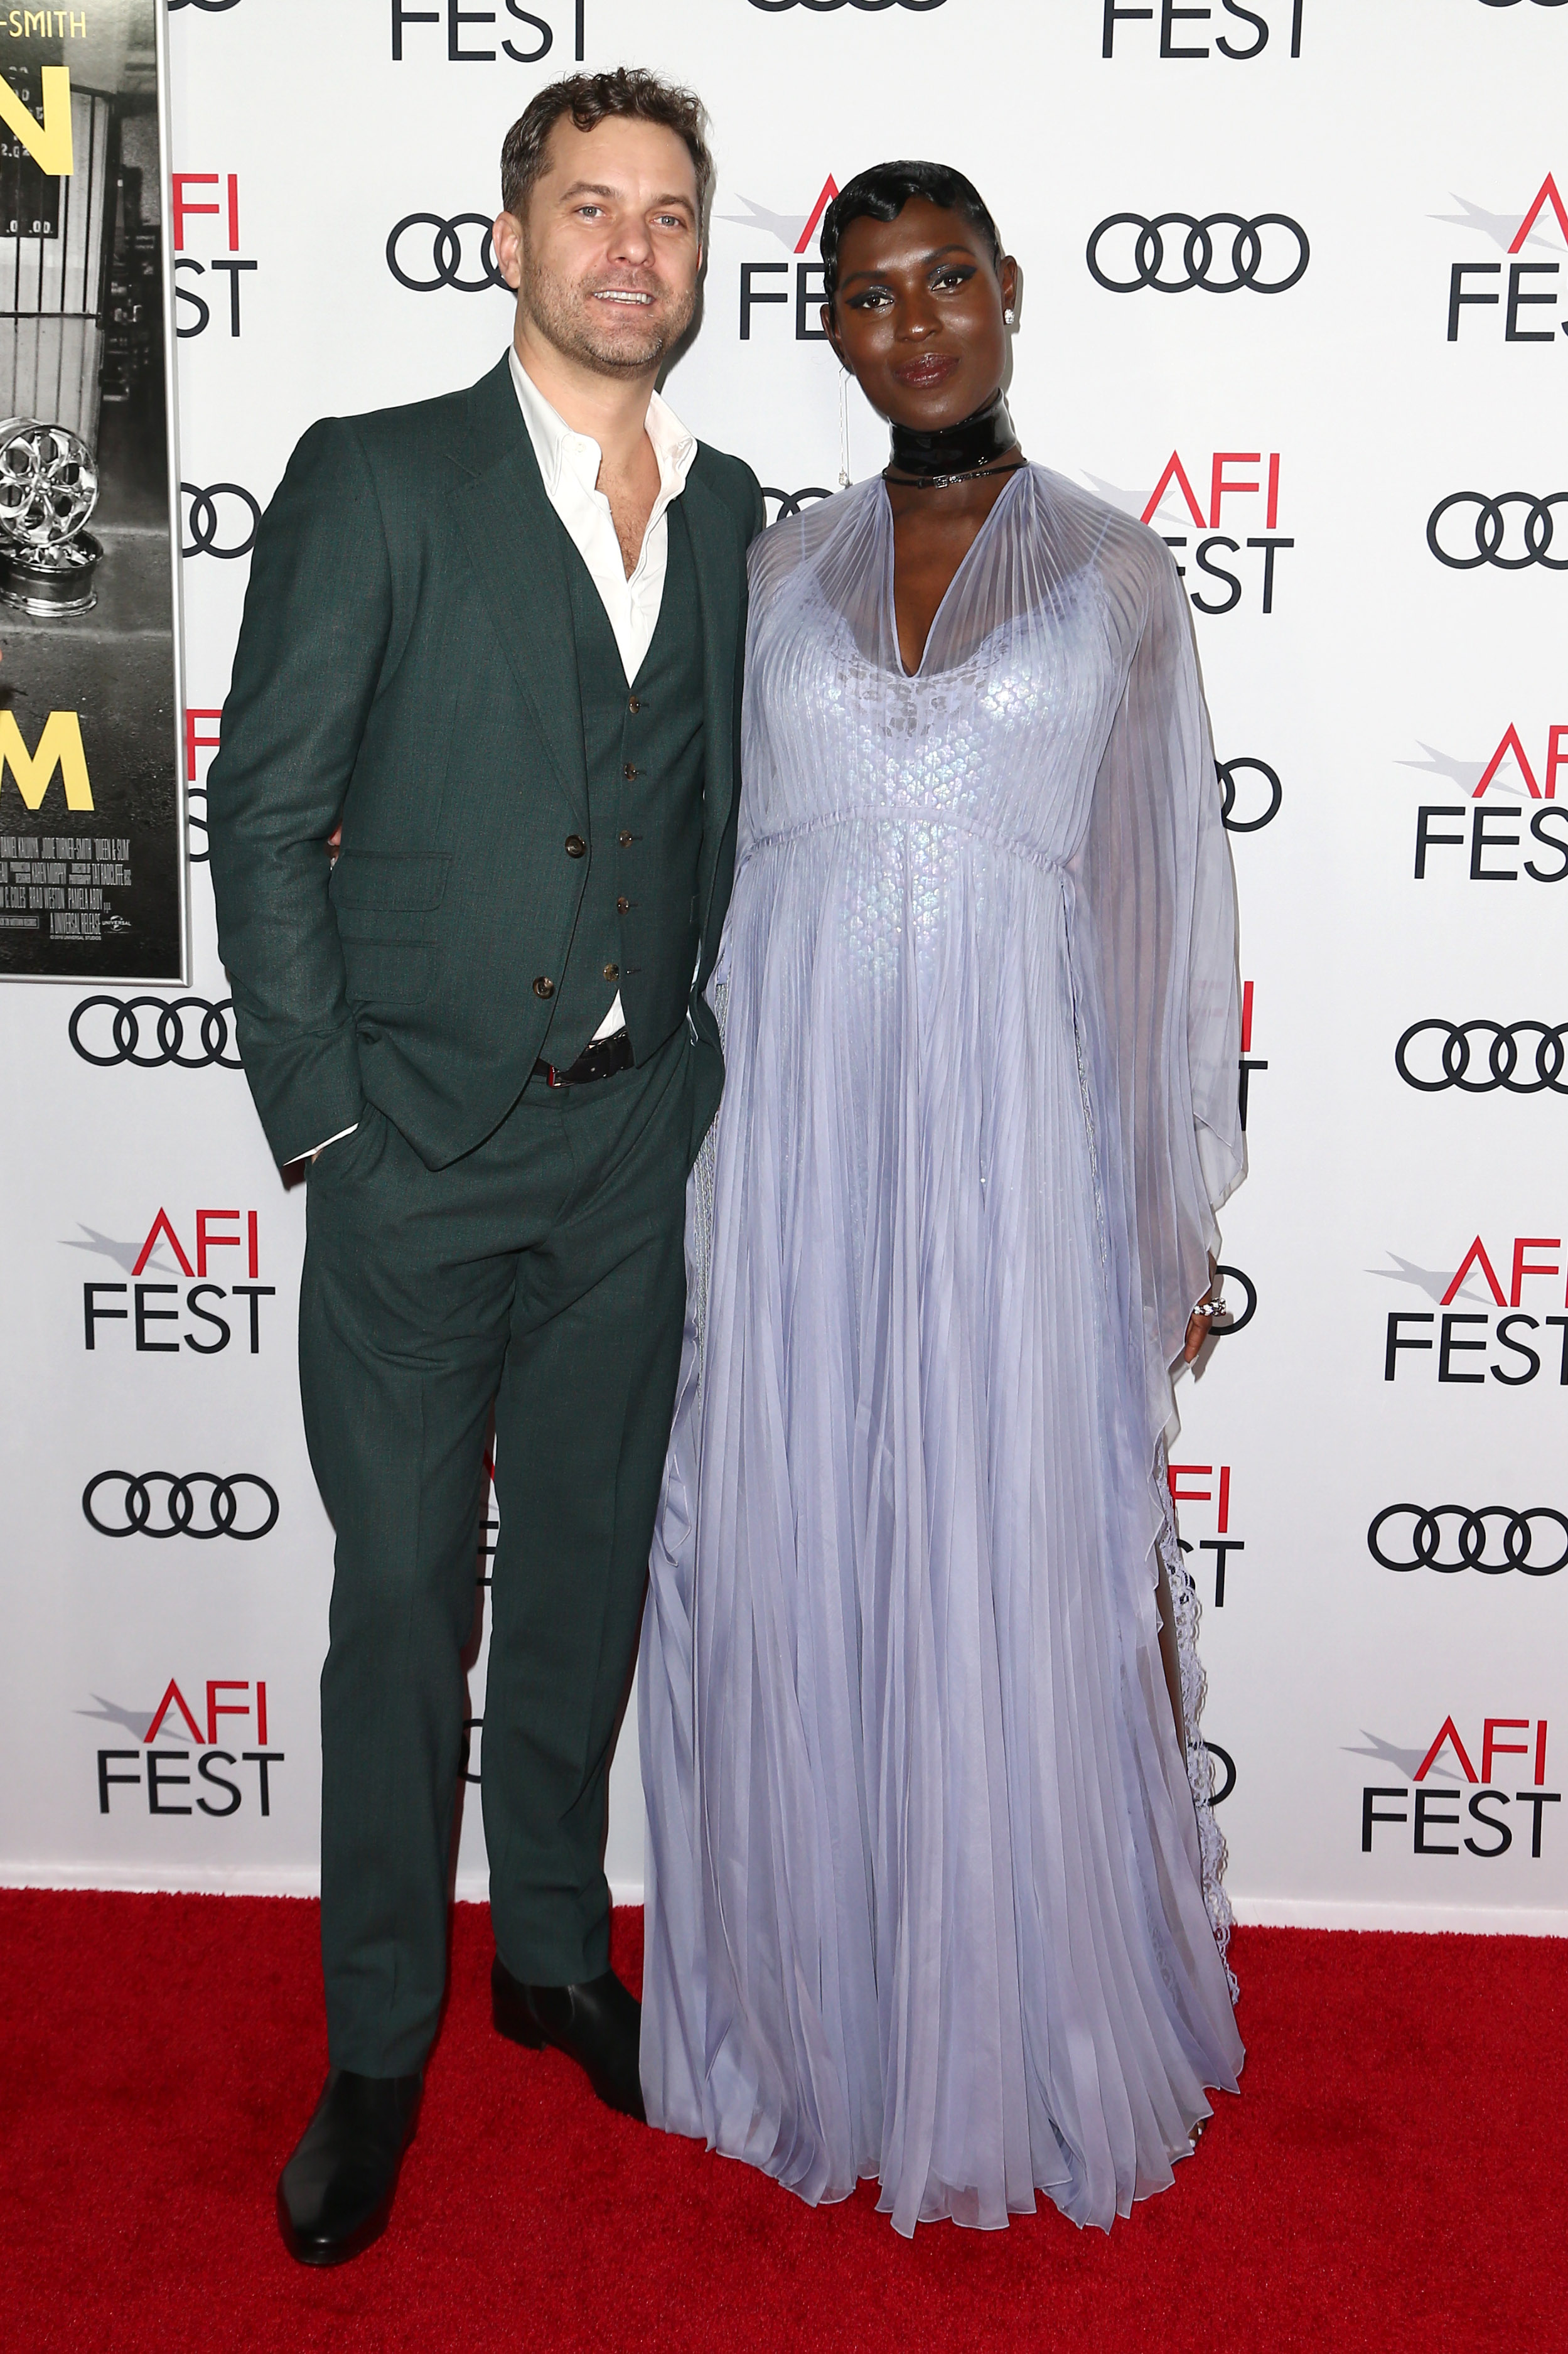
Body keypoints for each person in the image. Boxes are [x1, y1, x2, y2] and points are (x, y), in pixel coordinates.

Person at [638, 161, 1246, 2236]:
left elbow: (1155, 911)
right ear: (827, 325)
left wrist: (1167, 1204)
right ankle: (810, 2017)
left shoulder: (1117, 572)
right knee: (795, 1541)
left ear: (1008, 292)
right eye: (870, 291)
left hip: (1012, 1146)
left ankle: (1011, 2025)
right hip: (788, 1139)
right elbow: (689, 861)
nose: (912, 321)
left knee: (1006, 1551)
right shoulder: (761, 570)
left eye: (946, 280)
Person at [207, 70, 762, 2266]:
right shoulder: (380, 478)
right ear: (509, 242)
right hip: (415, 1157)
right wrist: (328, 1118)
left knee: (590, 1569)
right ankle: (376, 2039)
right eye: (589, 207)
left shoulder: (737, 511)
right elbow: (266, 813)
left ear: (701, 260)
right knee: (398, 1608)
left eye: (670, 214)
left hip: (631, 1149)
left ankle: (547, 1949)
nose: (633, 248)